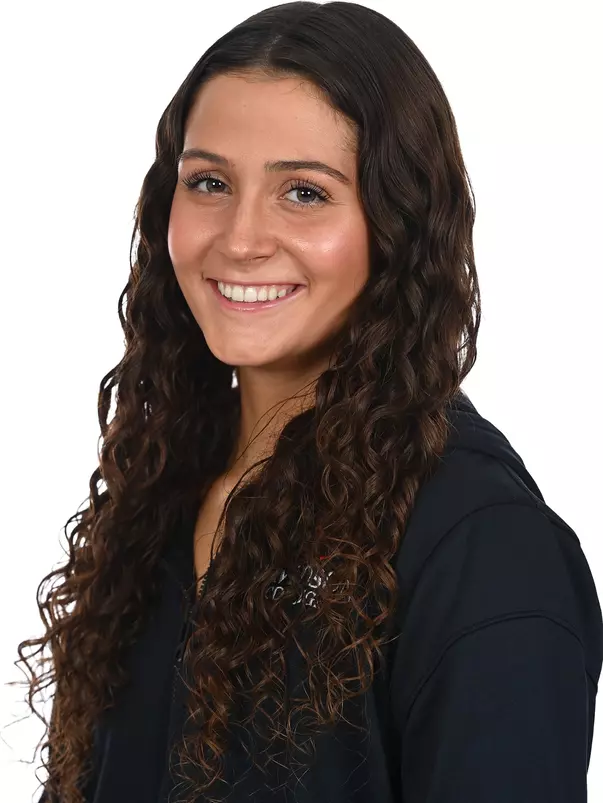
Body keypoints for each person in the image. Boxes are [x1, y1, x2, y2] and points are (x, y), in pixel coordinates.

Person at [17, 2, 602, 802]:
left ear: (395, 223)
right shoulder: (163, 493)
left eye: (303, 192)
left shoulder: (481, 546)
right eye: (210, 182)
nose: (241, 237)